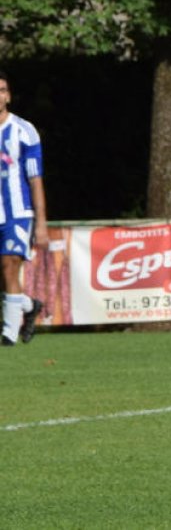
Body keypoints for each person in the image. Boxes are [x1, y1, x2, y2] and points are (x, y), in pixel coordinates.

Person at [0, 70, 47, 347]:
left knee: (9, 266)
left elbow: (35, 178)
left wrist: (41, 223)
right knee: (4, 276)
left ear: (8, 95)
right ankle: (29, 307)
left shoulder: (24, 130)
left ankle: (8, 333)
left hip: (18, 212)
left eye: (3, 90)